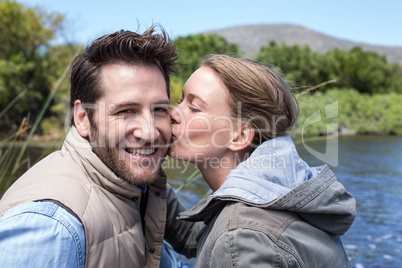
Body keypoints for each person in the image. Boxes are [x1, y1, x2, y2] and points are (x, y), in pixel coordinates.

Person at [0, 26, 199, 267]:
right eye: (127, 111)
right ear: (83, 118)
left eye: (159, 110)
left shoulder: (138, 186)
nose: (149, 132)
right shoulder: (52, 229)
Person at [169, 55, 356, 267]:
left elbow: (229, 240)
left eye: (194, 107)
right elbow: (201, 236)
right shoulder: (280, 193)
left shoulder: (241, 238)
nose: (172, 113)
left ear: (239, 137)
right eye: (179, 100)